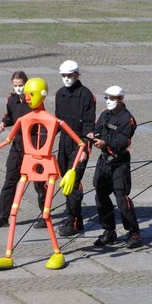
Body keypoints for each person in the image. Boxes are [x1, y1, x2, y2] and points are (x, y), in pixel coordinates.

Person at [0, 77, 86, 269]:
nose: (27, 97)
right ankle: (8, 255)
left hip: (47, 167)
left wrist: (71, 170)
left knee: (46, 214)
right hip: (27, 165)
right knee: (13, 213)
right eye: (27, 94)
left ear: (42, 94)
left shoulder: (54, 120)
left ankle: (57, 253)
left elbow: (80, 143)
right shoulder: (23, 119)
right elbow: (7, 141)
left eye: (31, 94)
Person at [0, 71, 46, 229]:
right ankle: (2, 217)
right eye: (16, 86)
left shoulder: (34, 102)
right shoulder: (11, 100)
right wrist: (4, 122)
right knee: (10, 180)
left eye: (21, 85)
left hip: (34, 144)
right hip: (18, 144)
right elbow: (11, 116)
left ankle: (45, 216)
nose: (18, 88)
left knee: (39, 183)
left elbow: (43, 123)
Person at [87, 86, 142, 249]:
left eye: (112, 98)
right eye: (107, 98)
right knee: (100, 195)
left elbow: (124, 141)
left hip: (119, 162)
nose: (109, 101)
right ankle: (109, 231)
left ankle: (134, 233)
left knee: (122, 199)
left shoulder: (127, 119)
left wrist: (106, 143)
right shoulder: (104, 114)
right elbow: (97, 129)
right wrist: (93, 136)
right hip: (104, 161)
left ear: (120, 99)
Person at [55, 60, 96, 236]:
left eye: (69, 75)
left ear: (77, 75)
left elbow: (89, 125)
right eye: (63, 75)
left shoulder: (86, 95)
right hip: (64, 142)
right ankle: (75, 217)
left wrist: (85, 150)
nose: (66, 79)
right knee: (65, 179)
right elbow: (58, 120)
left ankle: (73, 221)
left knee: (72, 181)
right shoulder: (59, 94)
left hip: (79, 143)